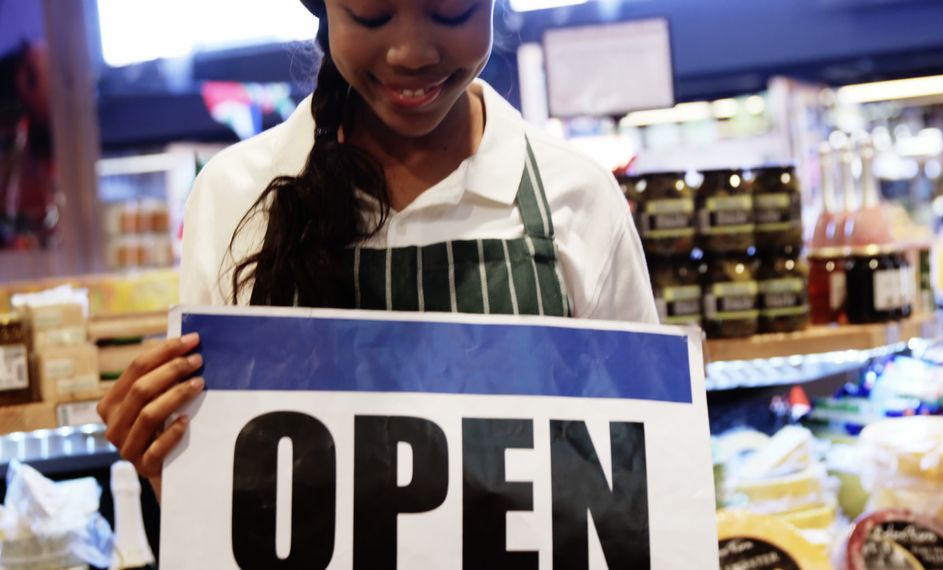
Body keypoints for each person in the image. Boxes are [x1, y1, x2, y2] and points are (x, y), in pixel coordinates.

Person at [97, 0, 657, 497]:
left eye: (451, 13)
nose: (411, 52)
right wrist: (173, 471)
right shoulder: (237, 195)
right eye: (372, 15)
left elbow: (646, 468)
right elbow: (230, 504)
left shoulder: (578, 196)